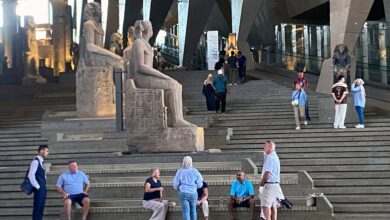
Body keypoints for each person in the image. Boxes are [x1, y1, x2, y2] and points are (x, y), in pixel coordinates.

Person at [259, 140, 284, 220]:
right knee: (273, 206)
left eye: (265, 146)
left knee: (266, 206)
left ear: (270, 147)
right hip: (275, 185)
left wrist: (262, 183)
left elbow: (268, 173)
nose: (264, 148)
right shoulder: (275, 157)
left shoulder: (270, 157)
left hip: (269, 184)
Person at [28, 145, 49, 220]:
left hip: (43, 188)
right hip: (39, 189)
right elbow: (30, 175)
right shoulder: (35, 161)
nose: (47, 153)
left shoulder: (42, 162)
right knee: (37, 209)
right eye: (46, 151)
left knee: (40, 208)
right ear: (41, 151)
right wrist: (38, 187)